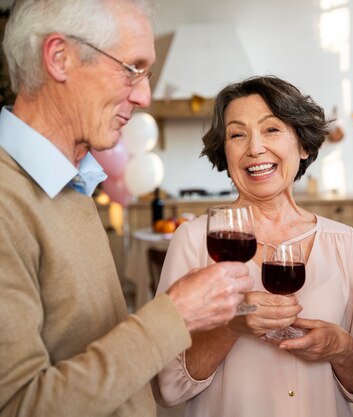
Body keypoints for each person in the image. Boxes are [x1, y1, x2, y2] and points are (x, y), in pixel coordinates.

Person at [0, 1, 253, 416]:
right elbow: (20, 406)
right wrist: (175, 315)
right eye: (131, 68)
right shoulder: (7, 199)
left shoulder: (71, 182)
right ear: (59, 58)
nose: (145, 95)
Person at [153, 75, 353, 416]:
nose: (254, 148)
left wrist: (341, 347)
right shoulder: (194, 240)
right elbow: (167, 387)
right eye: (237, 134)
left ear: (303, 145)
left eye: (271, 129)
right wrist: (232, 324)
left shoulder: (344, 242)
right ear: (225, 151)